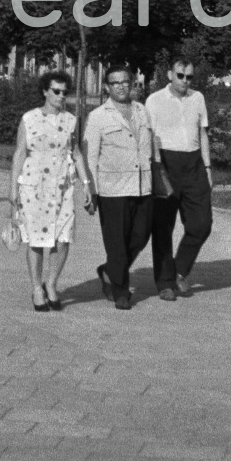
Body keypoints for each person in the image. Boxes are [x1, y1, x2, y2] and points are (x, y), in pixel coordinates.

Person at [9, 72, 95, 311]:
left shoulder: (71, 120)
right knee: (36, 240)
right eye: (56, 91)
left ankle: (52, 283)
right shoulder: (29, 119)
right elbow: (19, 153)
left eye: (64, 92)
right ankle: (36, 287)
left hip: (62, 187)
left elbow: (76, 153)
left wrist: (87, 185)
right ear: (45, 91)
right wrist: (12, 189)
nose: (61, 96)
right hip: (33, 187)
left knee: (63, 238)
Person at [84, 65, 155, 310]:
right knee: (116, 242)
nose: (122, 86)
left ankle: (108, 271)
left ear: (132, 83)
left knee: (141, 236)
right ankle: (121, 290)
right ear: (106, 87)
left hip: (142, 186)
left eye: (126, 82)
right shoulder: (98, 117)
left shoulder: (142, 111)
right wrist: (90, 190)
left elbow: (150, 146)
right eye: (115, 83)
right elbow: (90, 156)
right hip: (112, 189)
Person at [145, 57, 213, 301]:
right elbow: (150, 136)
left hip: (194, 164)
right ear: (169, 74)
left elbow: (202, 133)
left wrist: (207, 167)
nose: (185, 81)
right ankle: (164, 282)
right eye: (181, 75)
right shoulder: (154, 101)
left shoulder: (198, 98)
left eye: (189, 77)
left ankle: (180, 270)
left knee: (201, 223)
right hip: (166, 163)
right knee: (163, 227)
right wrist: (156, 168)